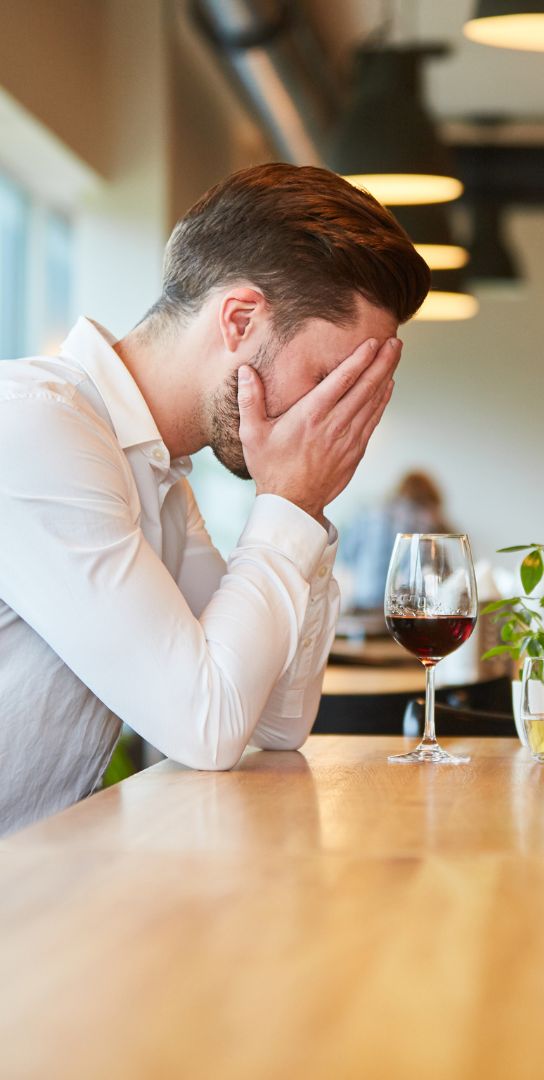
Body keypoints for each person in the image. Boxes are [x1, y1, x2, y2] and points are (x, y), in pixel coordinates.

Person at [0, 163, 429, 834]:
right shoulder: (38, 429)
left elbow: (274, 724)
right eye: (326, 378)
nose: (329, 416)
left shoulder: (156, 469)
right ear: (239, 318)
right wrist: (288, 502)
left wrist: (305, 509)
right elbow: (206, 727)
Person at [339, 470, 451, 610]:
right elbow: (440, 576)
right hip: (405, 609)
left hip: (363, 606)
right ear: (430, 498)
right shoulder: (426, 521)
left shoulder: (369, 514)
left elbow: (346, 556)